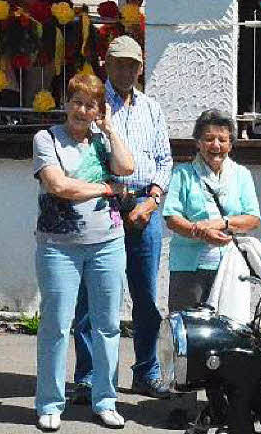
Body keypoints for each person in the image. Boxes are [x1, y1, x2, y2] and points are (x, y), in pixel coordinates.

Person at [32, 73, 135, 432]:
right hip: (58, 247)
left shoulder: (103, 141)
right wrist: (106, 188)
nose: (82, 109)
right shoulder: (46, 139)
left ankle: (105, 401)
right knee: (56, 325)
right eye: (76, 101)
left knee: (108, 325)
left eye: (90, 105)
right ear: (66, 103)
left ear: (99, 111)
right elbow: (59, 185)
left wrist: (111, 130)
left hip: (107, 243)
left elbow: (127, 168)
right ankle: (49, 403)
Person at [72, 35, 173, 402]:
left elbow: (165, 160)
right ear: (107, 65)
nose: (127, 70)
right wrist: (113, 191)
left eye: (133, 64)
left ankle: (146, 372)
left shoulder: (152, 109)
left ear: (141, 67)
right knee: (92, 293)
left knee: (145, 295)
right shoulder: (93, 109)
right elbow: (82, 157)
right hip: (104, 204)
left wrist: (153, 200)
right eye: (120, 63)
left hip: (146, 206)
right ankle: (88, 376)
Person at [163, 110, 261, 313]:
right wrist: (199, 232)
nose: (216, 145)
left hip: (229, 266)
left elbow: (252, 219)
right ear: (198, 143)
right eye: (209, 139)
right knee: (188, 329)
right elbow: (172, 217)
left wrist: (219, 224)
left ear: (230, 144)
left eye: (222, 140)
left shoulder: (241, 175)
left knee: (228, 329)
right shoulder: (183, 173)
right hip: (188, 268)